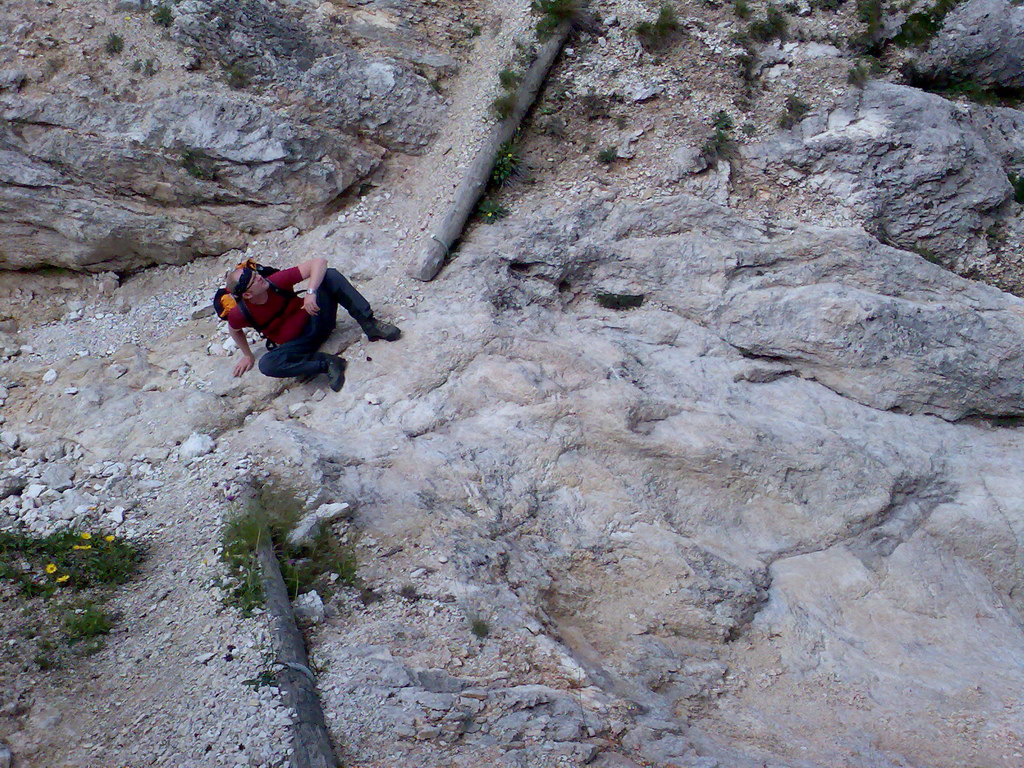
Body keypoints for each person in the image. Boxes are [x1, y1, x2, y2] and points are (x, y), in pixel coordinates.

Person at [225, 257, 400, 391]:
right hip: (297, 345)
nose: (259, 278)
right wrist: (247, 355)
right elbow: (234, 330)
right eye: (252, 280)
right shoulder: (241, 313)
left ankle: (370, 324)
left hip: (317, 319)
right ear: (247, 295)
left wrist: (311, 292)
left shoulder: (275, 282)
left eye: (255, 274)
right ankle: (328, 363)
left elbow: (319, 262)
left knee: (330, 275)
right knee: (267, 364)